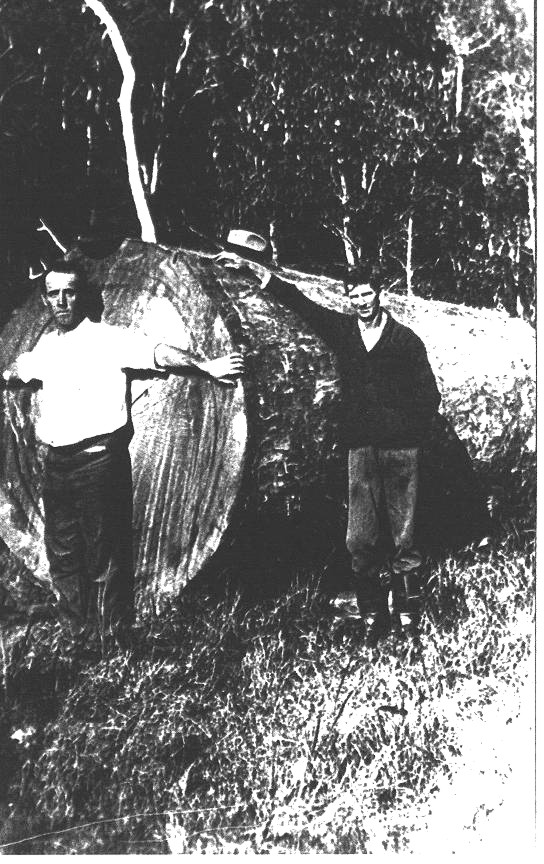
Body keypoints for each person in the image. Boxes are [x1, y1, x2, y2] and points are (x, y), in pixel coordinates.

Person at [1, 259, 244, 640]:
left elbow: (159, 353)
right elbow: (17, 368)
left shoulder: (108, 339)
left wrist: (206, 365)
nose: (62, 301)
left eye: (69, 292)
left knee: (104, 556)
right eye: (53, 294)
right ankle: (76, 636)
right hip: (57, 466)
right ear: (46, 301)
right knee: (63, 557)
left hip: (98, 462)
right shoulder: (46, 347)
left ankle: (114, 637)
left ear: (82, 296)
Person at [215, 248, 441, 645]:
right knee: (360, 538)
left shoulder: (405, 341)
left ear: (379, 293)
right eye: (354, 297)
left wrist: (400, 433)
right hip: (360, 451)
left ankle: (409, 621)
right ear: (348, 298)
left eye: (367, 295)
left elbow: (428, 398)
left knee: (405, 537)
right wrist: (252, 269)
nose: (361, 303)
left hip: (400, 452)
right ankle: (373, 620)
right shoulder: (345, 331)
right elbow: (303, 304)